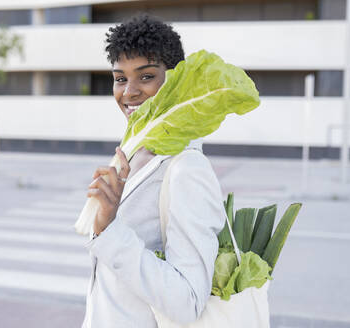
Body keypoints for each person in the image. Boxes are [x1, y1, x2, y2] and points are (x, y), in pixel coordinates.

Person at [82, 14, 226, 328]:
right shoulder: (132, 150)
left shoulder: (187, 169)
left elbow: (188, 302)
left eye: (145, 76)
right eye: (120, 78)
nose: (128, 92)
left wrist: (109, 229)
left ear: (175, 81)